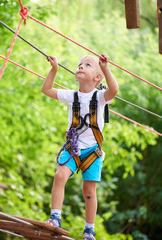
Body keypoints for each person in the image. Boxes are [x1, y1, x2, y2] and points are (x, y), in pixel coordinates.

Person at [41, 54, 119, 240]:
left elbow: (114, 89)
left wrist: (105, 68)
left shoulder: (100, 97)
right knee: (60, 175)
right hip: (73, 147)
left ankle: (89, 229)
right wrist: (54, 69)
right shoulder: (71, 96)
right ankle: (55, 216)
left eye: (87, 65)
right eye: (79, 65)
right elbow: (47, 89)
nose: (80, 67)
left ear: (97, 77)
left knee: (89, 191)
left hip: (92, 151)